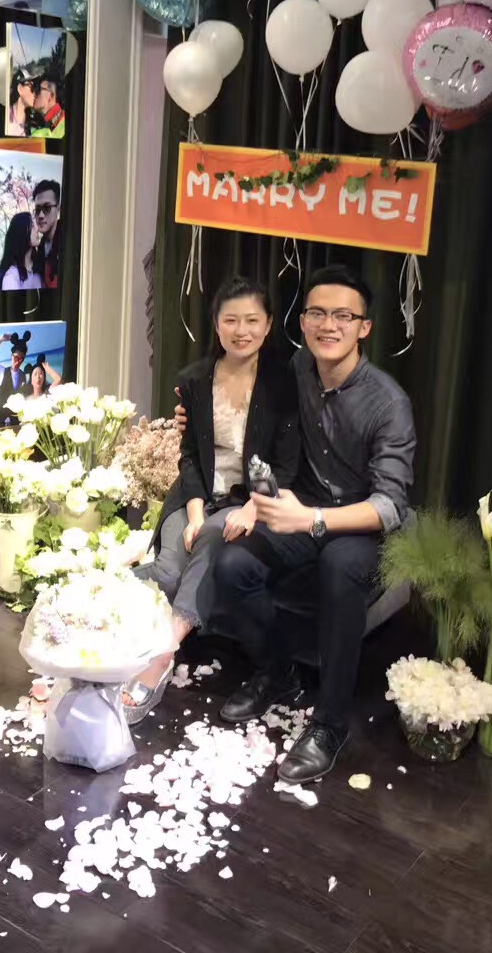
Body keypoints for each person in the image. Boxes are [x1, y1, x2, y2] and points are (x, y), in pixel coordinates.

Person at [212, 266, 416, 784]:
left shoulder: (388, 403)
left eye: (343, 316)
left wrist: (314, 518)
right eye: (318, 313)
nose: (329, 325)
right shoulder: (297, 369)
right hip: (302, 508)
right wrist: (259, 500)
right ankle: (278, 673)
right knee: (232, 564)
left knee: (340, 568)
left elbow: (391, 506)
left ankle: (329, 724)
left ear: (364, 327)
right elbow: (260, 421)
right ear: (302, 322)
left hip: (360, 524)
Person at [125, 277, 300, 722]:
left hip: (247, 501)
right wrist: (194, 512)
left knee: (209, 540)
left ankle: (163, 652)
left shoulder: (284, 382)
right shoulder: (194, 379)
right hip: (195, 496)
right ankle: (103, 604)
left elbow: (286, 463)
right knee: (167, 570)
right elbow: (188, 457)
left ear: (268, 325)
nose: (242, 330)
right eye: (231, 320)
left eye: (252, 321)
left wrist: (254, 508)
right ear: (217, 324)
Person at [0, 332, 30, 426]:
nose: (18, 361)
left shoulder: (23, 376)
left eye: (22, 358)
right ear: (11, 355)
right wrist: (0, 340)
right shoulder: (2, 371)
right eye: (16, 357)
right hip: (1, 420)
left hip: (16, 421)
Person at [0, 212, 43, 291]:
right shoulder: (11, 277)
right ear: (22, 233)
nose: (37, 229)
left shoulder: (39, 268)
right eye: (32, 226)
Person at [10, 71, 65, 140]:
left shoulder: (62, 125)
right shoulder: (43, 124)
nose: (34, 93)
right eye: (33, 88)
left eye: (38, 89)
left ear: (50, 96)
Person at [33, 180, 62, 290]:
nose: (40, 215)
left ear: (58, 209)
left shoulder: (68, 242)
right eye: (37, 209)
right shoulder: (39, 249)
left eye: (47, 208)